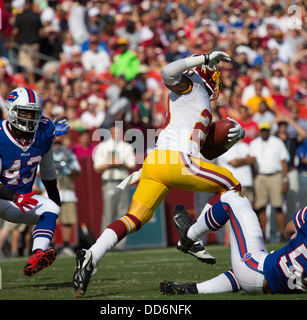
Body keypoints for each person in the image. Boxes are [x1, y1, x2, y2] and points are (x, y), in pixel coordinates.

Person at [73, 51, 245, 296]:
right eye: (213, 75)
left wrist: (231, 139)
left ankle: (91, 256)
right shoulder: (193, 85)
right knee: (233, 186)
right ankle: (191, 234)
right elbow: (166, 72)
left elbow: (204, 153)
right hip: (177, 161)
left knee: (133, 219)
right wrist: (203, 58)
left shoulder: (198, 102)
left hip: (156, 162)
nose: (216, 83)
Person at [160, 190, 307, 296]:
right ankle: (193, 289)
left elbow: (290, 229)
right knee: (250, 271)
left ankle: (189, 235)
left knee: (234, 198)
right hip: (275, 286)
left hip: (257, 270)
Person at [0, 87, 63, 277]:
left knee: (51, 208)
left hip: (22, 200)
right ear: (11, 110)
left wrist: (54, 198)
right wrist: (13, 196)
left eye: (33, 113)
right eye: (24, 112)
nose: (29, 118)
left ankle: (37, 254)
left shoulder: (44, 132)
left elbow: (48, 170)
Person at [93, 124, 136, 242]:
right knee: (108, 212)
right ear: (110, 133)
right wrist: (110, 163)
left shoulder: (126, 147)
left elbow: (132, 165)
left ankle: (121, 243)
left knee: (122, 213)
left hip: (122, 180)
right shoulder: (102, 147)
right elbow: (97, 167)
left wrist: (121, 163)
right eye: (114, 132)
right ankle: (104, 242)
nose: (116, 135)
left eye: (118, 132)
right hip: (109, 181)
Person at [250, 122, 290, 241]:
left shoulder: (277, 142)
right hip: (261, 175)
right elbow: (252, 161)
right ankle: (263, 234)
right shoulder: (254, 143)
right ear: (259, 131)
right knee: (261, 206)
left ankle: (282, 234)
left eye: (266, 130)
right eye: (262, 130)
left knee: (278, 206)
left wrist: (285, 179)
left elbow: (284, 161)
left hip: (275, 175)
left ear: (269, 131)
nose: (264, 132)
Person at [53, 138, 81, 256]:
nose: (56, 147)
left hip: (68, 193)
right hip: (52, 192)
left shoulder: (69, 155)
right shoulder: (46, 156)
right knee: (51, 221)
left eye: (58, 144)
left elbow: (78, 172)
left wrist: (67, 169)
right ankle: (51, 246)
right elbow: (39, 173)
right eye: (54, 144)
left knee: (68, 221)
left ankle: (66, 246)